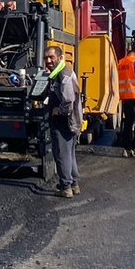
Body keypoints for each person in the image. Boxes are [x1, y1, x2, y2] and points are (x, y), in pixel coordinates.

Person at [42, 46, 81, 197]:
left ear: (60, 57)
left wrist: (59, 110)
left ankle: (66, 187)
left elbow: (69, 99)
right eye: (46, 58)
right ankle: (74, 184)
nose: (48, 60)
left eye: (51, 57)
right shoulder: (57, 73)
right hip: (69, 120)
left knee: (62, 153)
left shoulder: (64, 75)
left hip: (64, 120)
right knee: (69, 154)